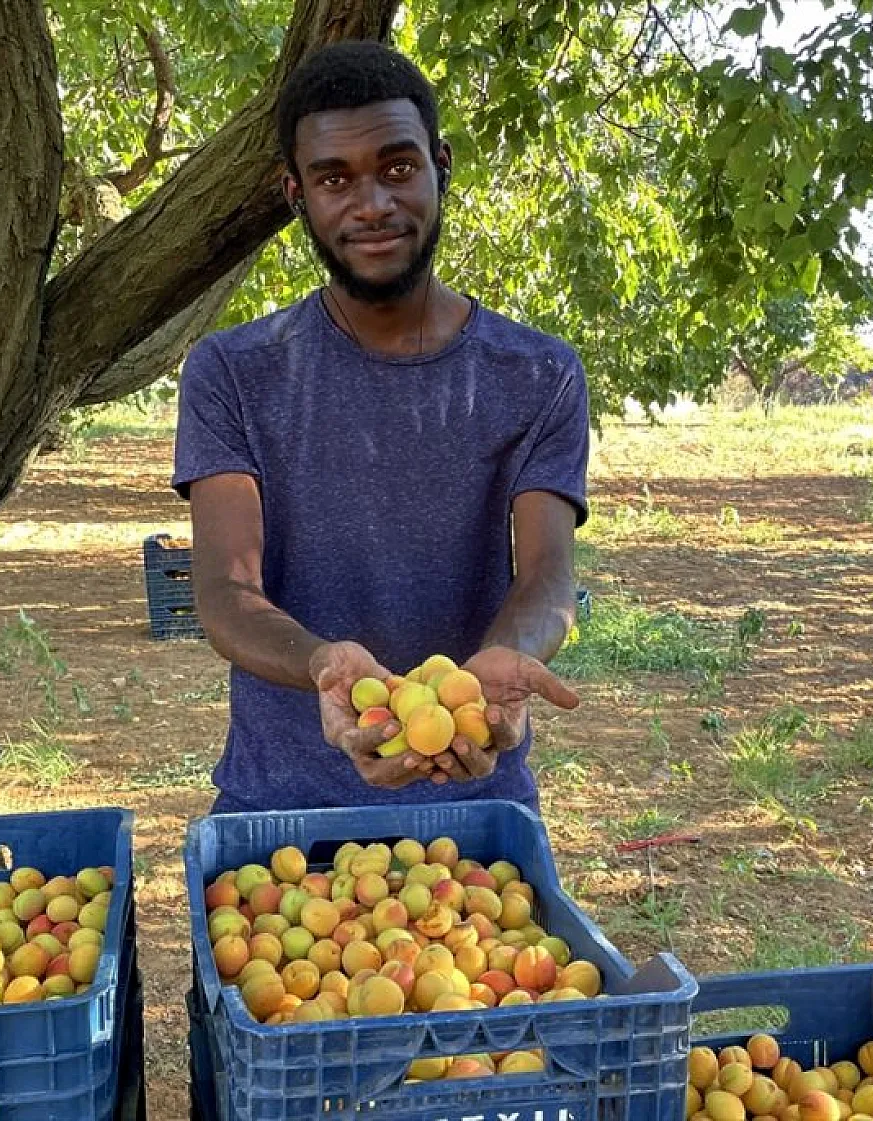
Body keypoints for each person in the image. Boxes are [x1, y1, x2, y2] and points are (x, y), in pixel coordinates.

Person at [171, 40, 589, 816]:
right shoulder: (232, 371)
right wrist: (327, 667)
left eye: (397, 168)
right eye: (335, 179)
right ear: (295, 193)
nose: (371, 204)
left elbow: (546, 577)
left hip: (477, 806)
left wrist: (505, 658)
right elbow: (227, 591)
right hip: (280, 812)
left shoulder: (539, 374)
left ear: (441, 164)